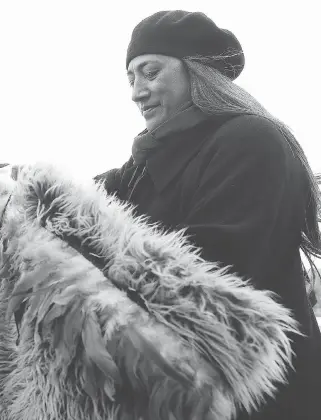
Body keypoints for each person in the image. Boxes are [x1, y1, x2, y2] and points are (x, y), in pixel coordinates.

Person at [94, 10, 321, 420]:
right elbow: (84, 207)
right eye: (130, 78)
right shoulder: (142, 164)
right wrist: (20, 189)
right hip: (181, 390)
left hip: (257, 393)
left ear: (197, 73)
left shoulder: (251, 140)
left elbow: (209, 270)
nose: (136, 92)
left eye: (150, 72)